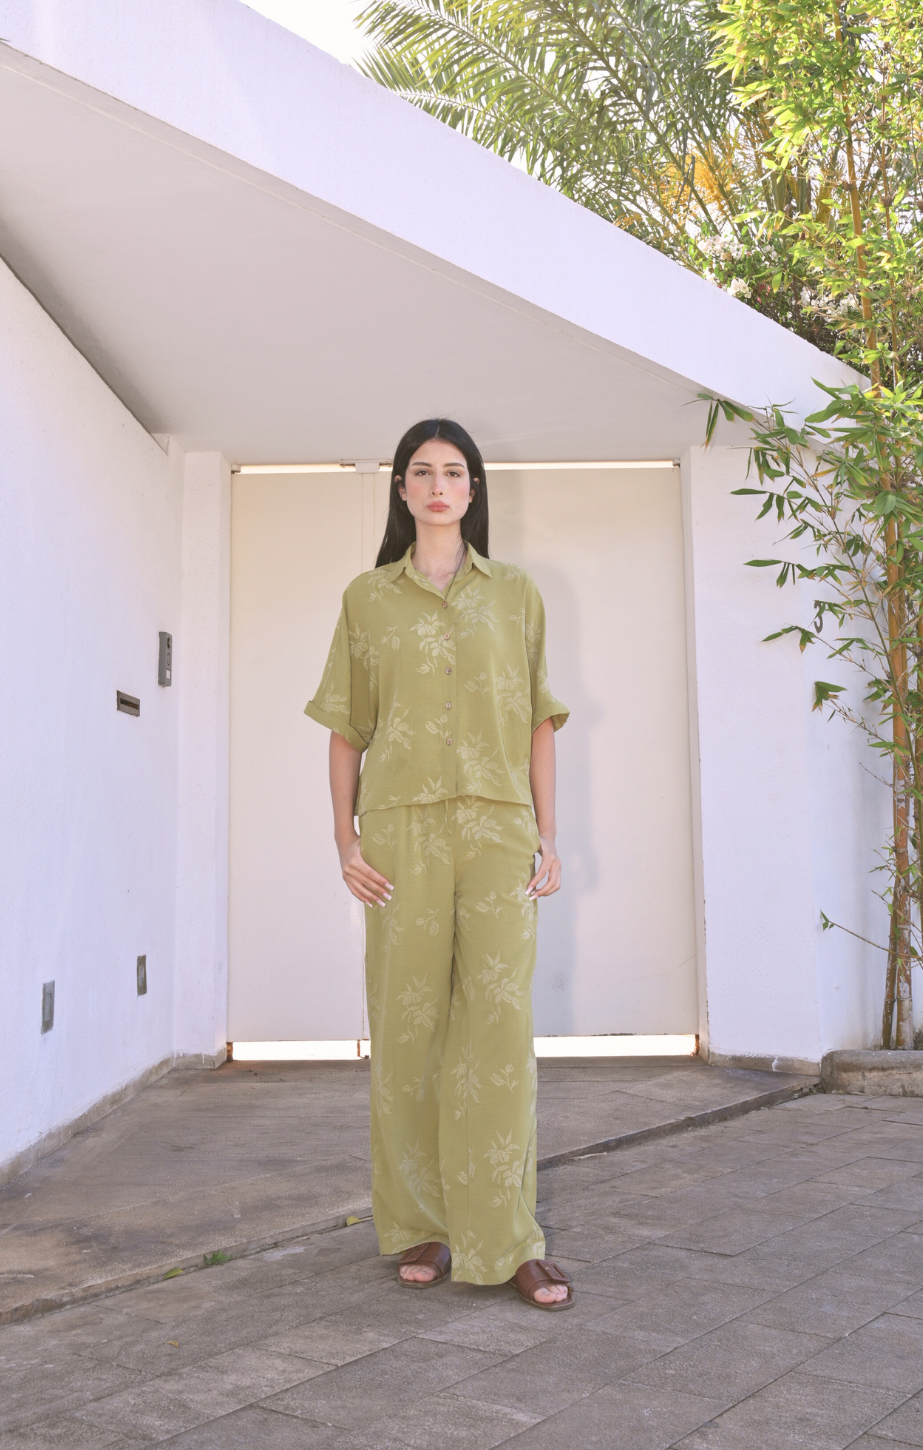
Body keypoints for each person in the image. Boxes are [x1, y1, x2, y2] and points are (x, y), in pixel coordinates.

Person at [305, 418, 573, 1309]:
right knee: (408, 1033)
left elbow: (540, 719)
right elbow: (347, 727)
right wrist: (344, 840)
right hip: (399, 834)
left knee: (500, 1032)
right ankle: (421, 1224)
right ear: (401, 489)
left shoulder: (517, 593)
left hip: (497, 829)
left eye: (453, 472)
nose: (437, 486)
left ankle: (509, 1238)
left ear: (472, 489)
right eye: (421, 472)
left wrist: (549, 834)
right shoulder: (366, 599)